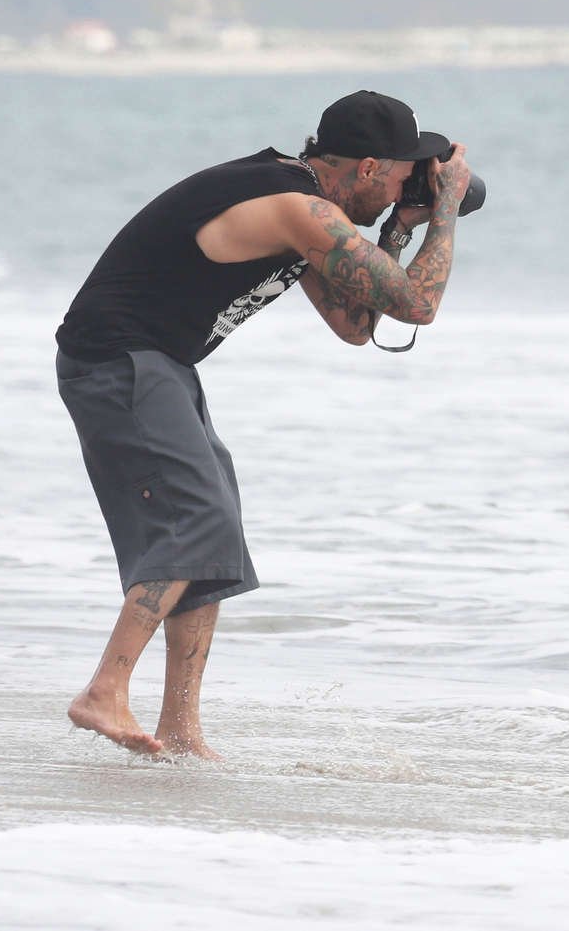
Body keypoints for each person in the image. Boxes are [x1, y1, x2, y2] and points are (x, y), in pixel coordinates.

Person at [54, 90, 473, 758]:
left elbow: (356, 325)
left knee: (216, 530)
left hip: (155, 362)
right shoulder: (297, 208)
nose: (407, 186)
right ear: (369, 167)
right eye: (401, 176)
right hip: (119, 360)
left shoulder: (307, 207)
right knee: (198, 518)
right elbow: (416, 304)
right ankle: (105, 689)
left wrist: (400, 226)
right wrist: (446, 210)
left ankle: (181, 729)